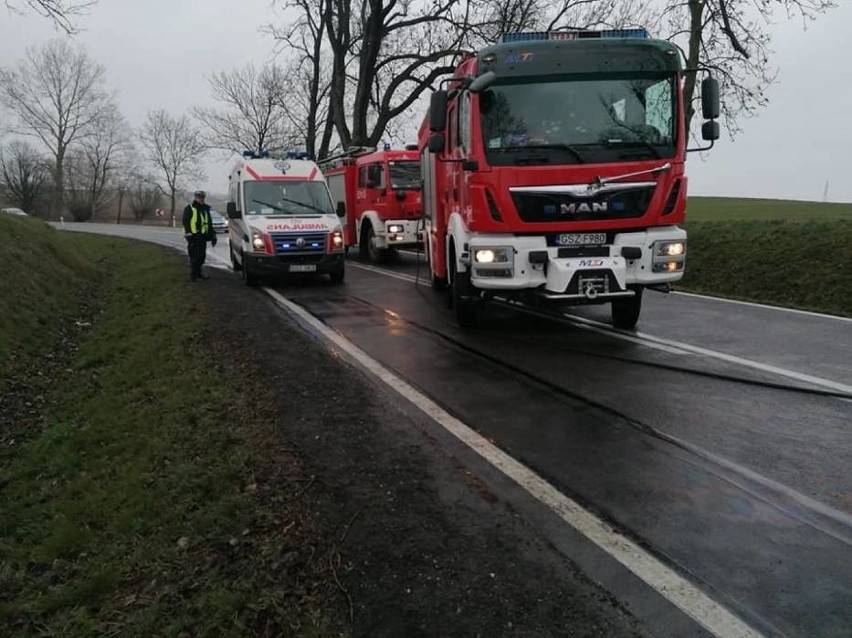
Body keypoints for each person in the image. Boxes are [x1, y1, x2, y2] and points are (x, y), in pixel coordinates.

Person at [182, 190, 217, 281]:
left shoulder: (205, 209)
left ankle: (199, 274)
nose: (201, 199)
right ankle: (194, 276)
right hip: (193, 237)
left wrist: (212, 235)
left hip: (202, 237)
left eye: (202, 197)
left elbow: (208, 223)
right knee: (195, 257)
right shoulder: (190, 208)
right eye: (199, 197)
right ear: (195, 197)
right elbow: (185, 221)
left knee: (201, 257)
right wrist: (189, 233)